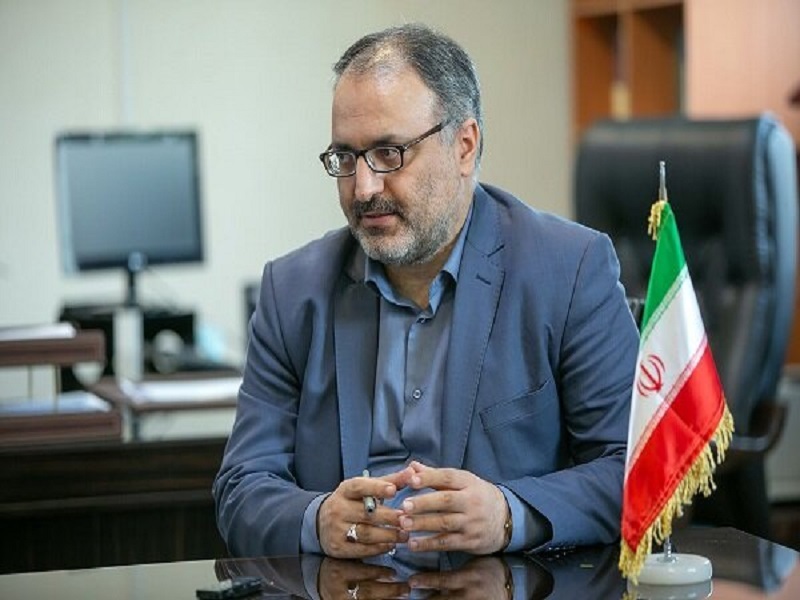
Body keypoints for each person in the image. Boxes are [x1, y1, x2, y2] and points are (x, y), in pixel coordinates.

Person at [213, 23, 639, 559]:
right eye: (346, 159)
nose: (364, 188)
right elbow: (241, 488)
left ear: (464, 146)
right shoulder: (293, 291)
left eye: (389, 153)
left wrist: (510, 514)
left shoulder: (567, 270)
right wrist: (316, 520)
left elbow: (635, 470)